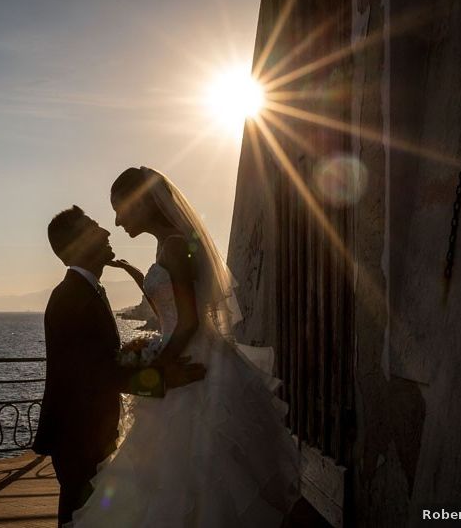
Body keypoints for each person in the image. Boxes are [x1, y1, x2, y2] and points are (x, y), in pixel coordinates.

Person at [67, 167, 301, 527]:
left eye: (120, 208)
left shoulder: (174, 246)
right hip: (193, 352)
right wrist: (136, 275)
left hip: (192, 364)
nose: (116, 220)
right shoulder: (169, 244)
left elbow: (189, 322)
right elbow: (172, 307)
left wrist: (157, 367)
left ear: (141, 203)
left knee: (183, 472)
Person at [32, 205, 207, 527]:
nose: (107, 231)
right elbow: (96, 375)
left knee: (89, 516)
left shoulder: (85, 290)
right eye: (95, 227)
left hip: (84, 433)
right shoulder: (72, 297)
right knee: (79, 517)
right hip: (78, 437)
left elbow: (96, 361)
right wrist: (163, 379)